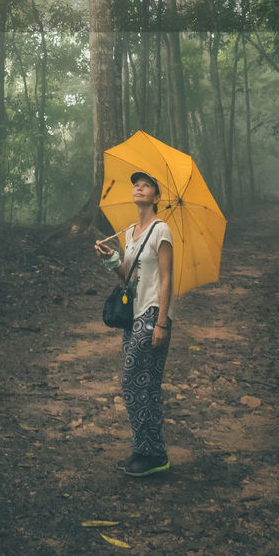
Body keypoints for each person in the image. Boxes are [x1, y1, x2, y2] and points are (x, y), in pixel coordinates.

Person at [95, 171, 174, 477]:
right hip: (134, 314)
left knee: (131, 382)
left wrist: (163, 323)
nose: (139, 188)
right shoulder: (130, 232)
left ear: (156, 198)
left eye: (146, 186)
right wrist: (111, 258)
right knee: (147, 387)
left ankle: (150, 453)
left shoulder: (161, 230)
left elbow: (167, 277)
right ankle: (148, 452)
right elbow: (129, 275)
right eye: (136, 185)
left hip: (154, 314)